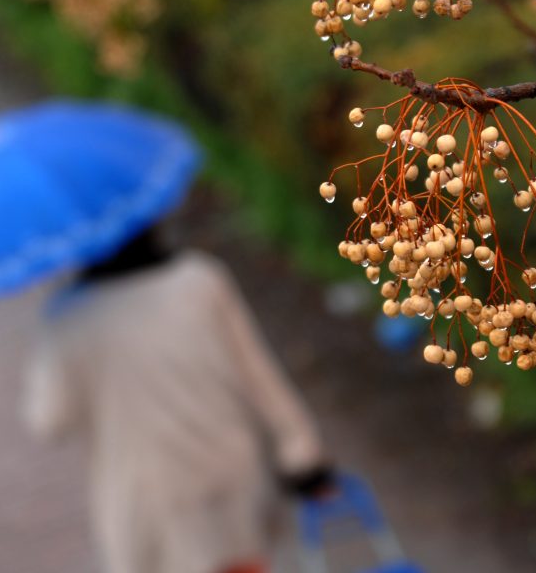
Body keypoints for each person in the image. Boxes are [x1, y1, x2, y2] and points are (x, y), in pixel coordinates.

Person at [22, 225, 333, 573]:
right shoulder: (198, 280)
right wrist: (302, 453)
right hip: (228, 470)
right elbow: (257, 373)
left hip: (146, 496)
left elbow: (50, 420)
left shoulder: (68, 316)